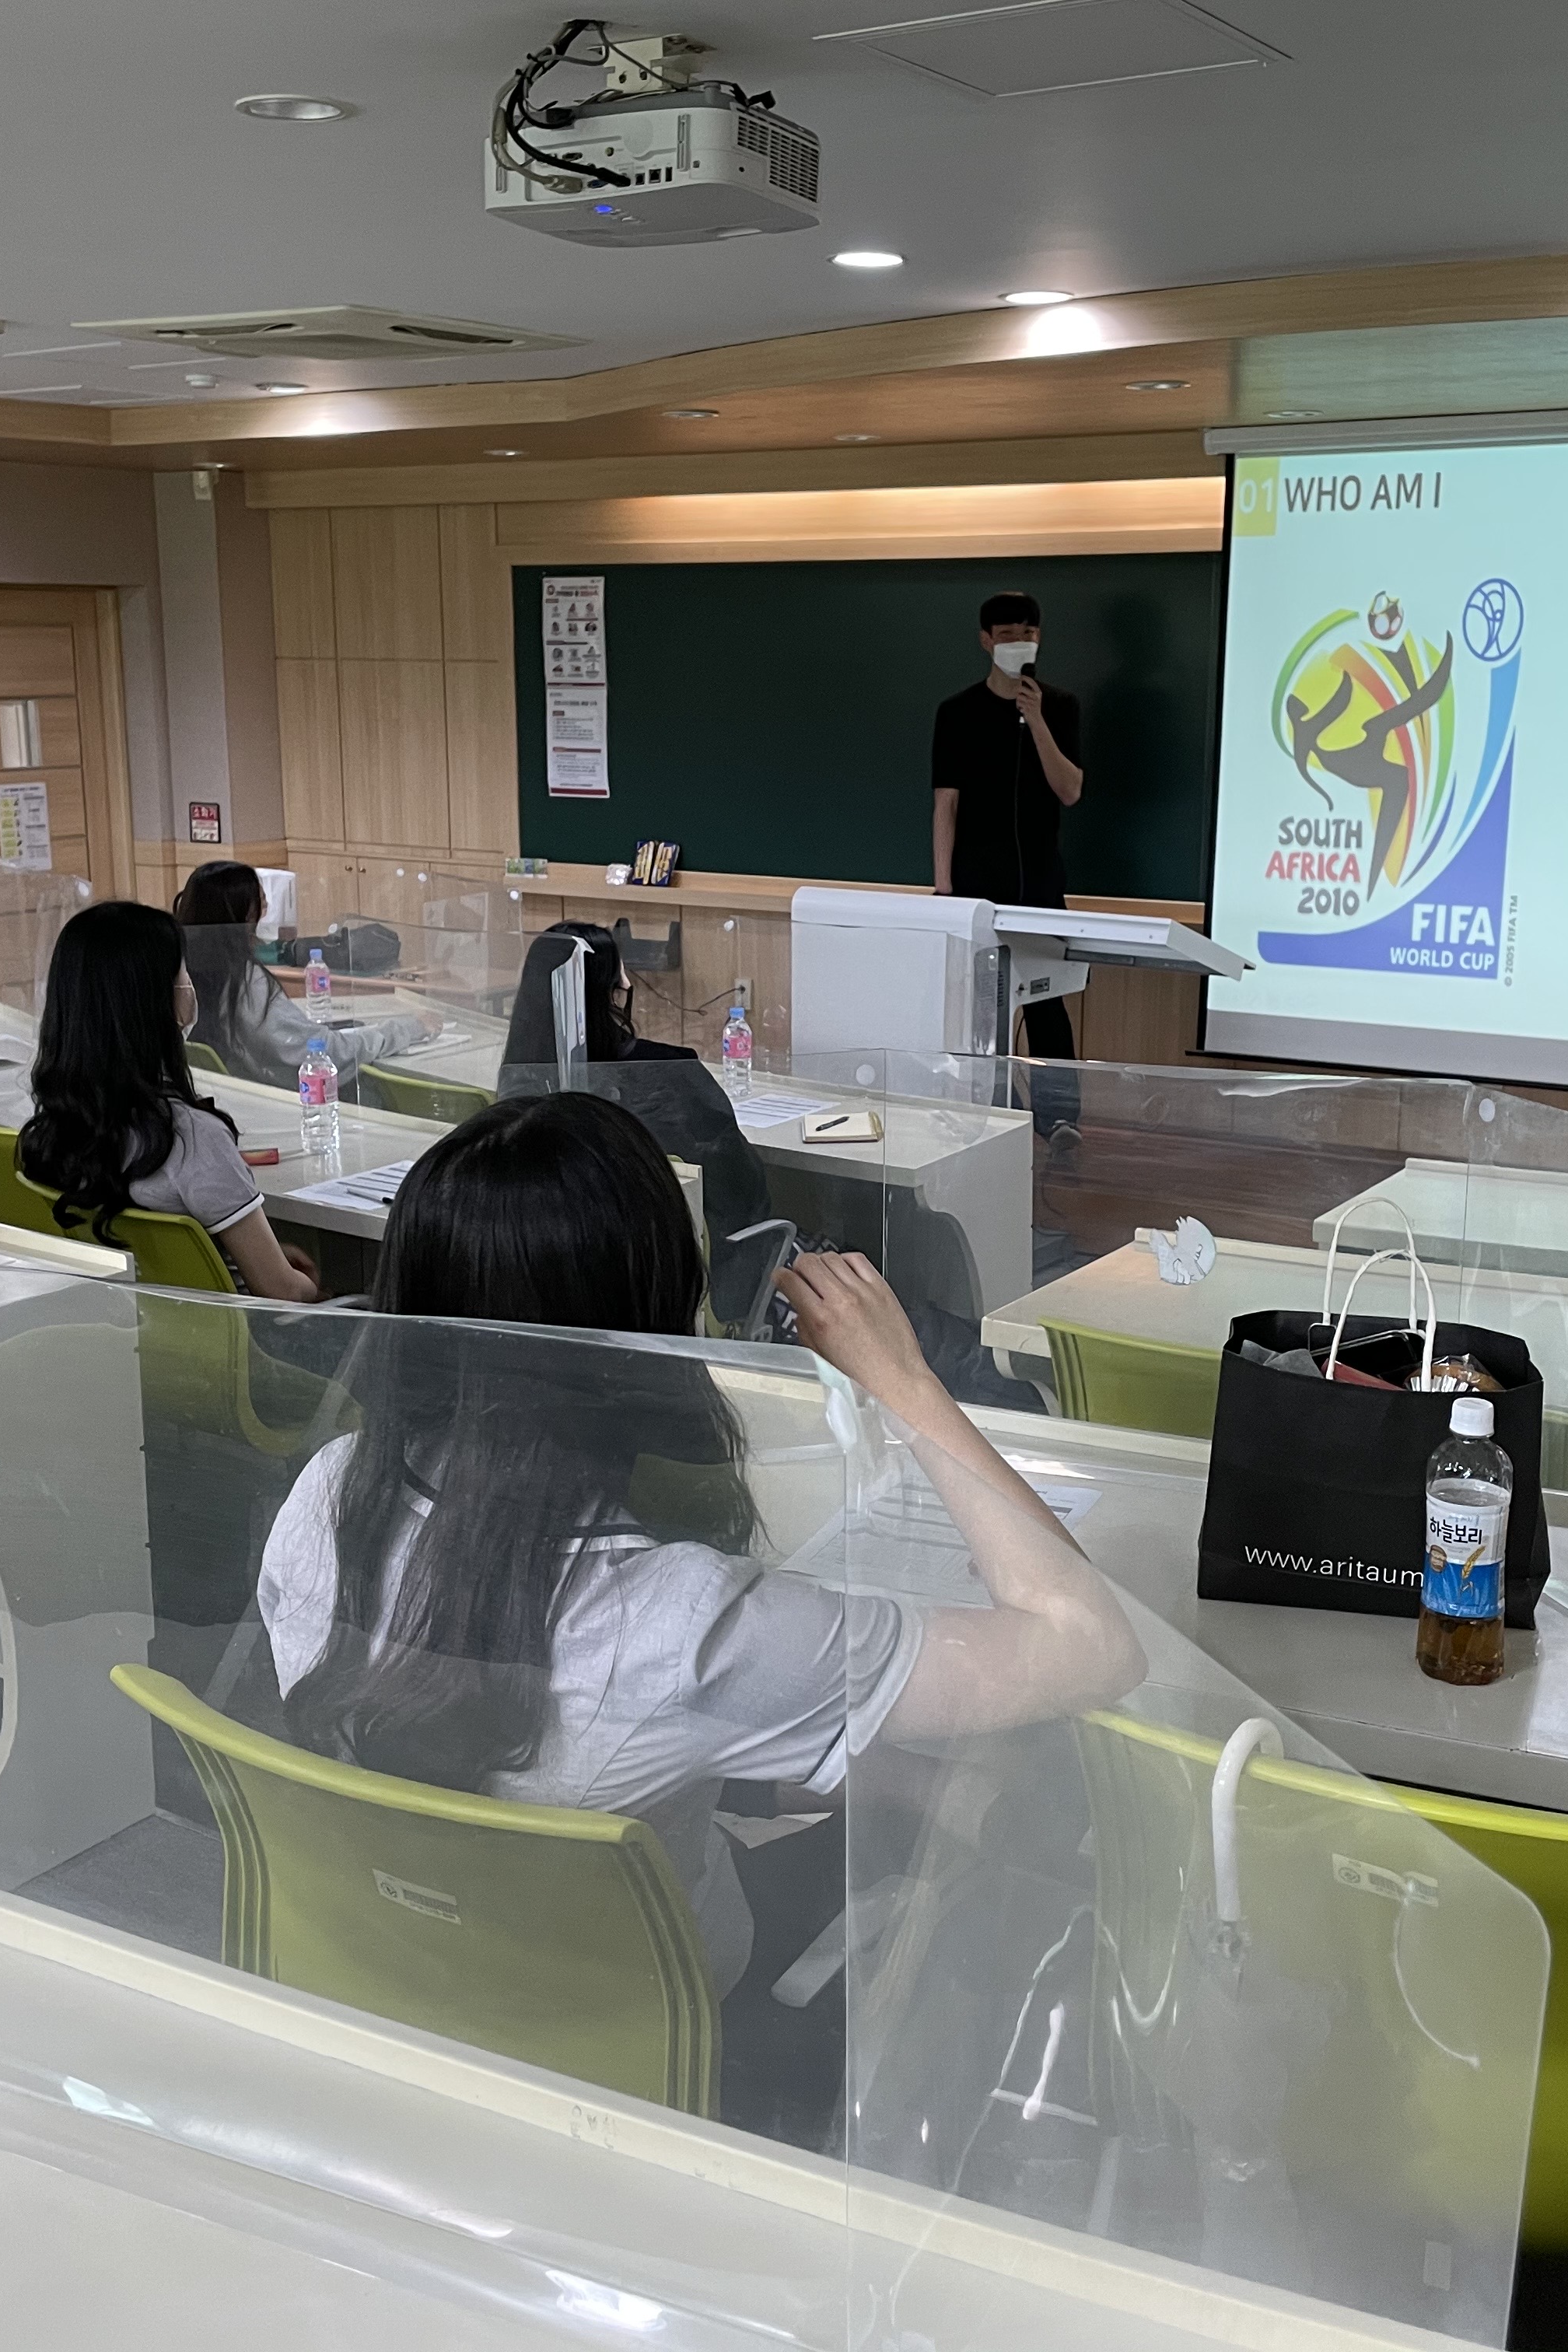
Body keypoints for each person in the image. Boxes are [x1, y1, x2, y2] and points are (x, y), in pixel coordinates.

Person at [257, 1090, 1146, 2004]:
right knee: (993, 1794)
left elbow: (537, 1742)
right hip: (651, 2009)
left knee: (905, 1783)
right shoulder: (688, 1626)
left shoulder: (329, 1494)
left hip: (399, 1963)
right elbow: (1091, 1646)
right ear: (648, 1326)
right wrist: (903, 1377)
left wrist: (894, 1785)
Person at [16, 899, 320, 1303]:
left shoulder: (54, 1129)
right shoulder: (193, 1139)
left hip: (129, 1327)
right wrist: (320, 1288)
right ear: (156, 1001)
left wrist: (252, 1255)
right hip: (231, 1336)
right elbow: (283, 1291)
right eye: (183, 971)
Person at [496, 921, 775, 1329]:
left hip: (559, 1300)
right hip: (675, 1294)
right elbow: (744, 1195)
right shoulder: (674, 1075)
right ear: (616, 989)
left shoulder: (517, 1094)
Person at [930, 588, 1084, 1059]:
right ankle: (991, 1098)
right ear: (986, 641)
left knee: (1047, 1005)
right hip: (976, 881)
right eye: (1007, 635)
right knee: (980, 1009)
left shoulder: (1060, 705)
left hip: (1039, 880)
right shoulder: (957, 712)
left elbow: (1070, 791)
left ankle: (1059, 1104)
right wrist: (944, 891)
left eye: (1029, 633)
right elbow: (945, 805)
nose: (1020, 642)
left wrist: (1036, 720)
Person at [168, 859, 431, 1090]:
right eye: (262, 904)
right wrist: (405, 1029)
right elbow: (323, 1053)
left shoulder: (178, 968)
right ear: (245, 916)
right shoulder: (245, 981)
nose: (267, 909)